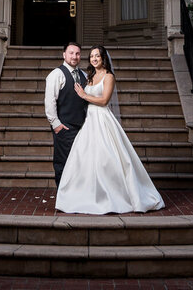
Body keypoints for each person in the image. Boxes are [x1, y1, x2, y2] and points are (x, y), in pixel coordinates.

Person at [55, 45, 164, 214]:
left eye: (97, 56)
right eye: (91, 56)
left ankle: (114, 196)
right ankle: (86, 196)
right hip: (89, 120)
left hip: (102, 119)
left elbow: (104, 100)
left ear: (103, 57)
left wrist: (84, 95)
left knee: (106, 158)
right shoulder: (89, 76)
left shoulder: (108, 76)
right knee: (84, 159)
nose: (94, 59)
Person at [44, 41, 88, 186]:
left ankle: (76, 196)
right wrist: (56, 124)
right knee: (63, 163)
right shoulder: (56, 74)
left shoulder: (84, 75)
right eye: (71, 53)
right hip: (65, 126)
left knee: (81, 164)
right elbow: (50, 101)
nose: (74, 56)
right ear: (64, 55)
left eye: (77, 53)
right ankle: (62, 197)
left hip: (82, 128)